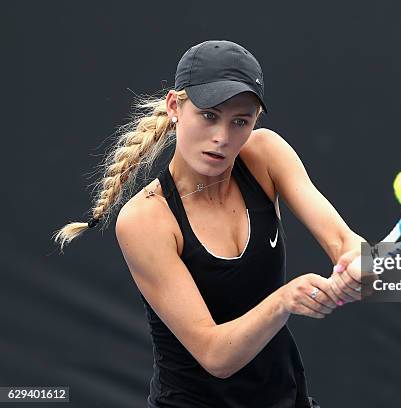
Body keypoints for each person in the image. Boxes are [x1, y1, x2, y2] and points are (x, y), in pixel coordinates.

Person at [52, 39, 368, 407]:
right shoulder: (145, 219)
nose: (222, 137)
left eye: (240, 121)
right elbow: (215, 356)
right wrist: (285, 300)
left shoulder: (265, 155)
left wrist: (364, 265)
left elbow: (345, 242)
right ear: (174, 106)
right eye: (208, 115)